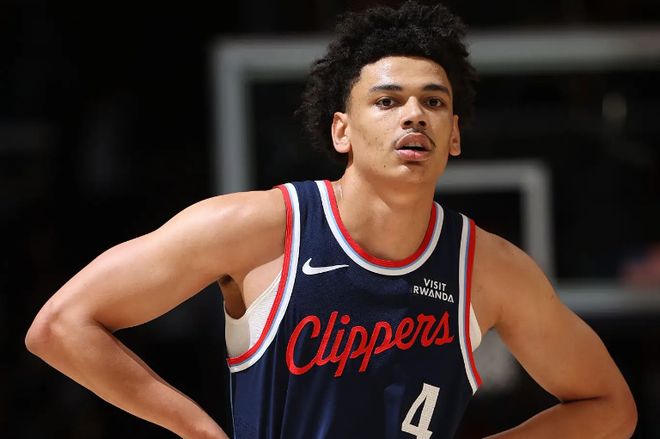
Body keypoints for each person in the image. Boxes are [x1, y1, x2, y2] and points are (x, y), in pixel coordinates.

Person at [26, 1, 637, 438]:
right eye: (387, 100)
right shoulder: (258, 228)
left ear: (453, 135)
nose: (414, 115)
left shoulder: (489, 268)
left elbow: (610, 405)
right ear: (341, 130)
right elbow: (60, 326)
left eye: (434, 101)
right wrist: (200, 433)